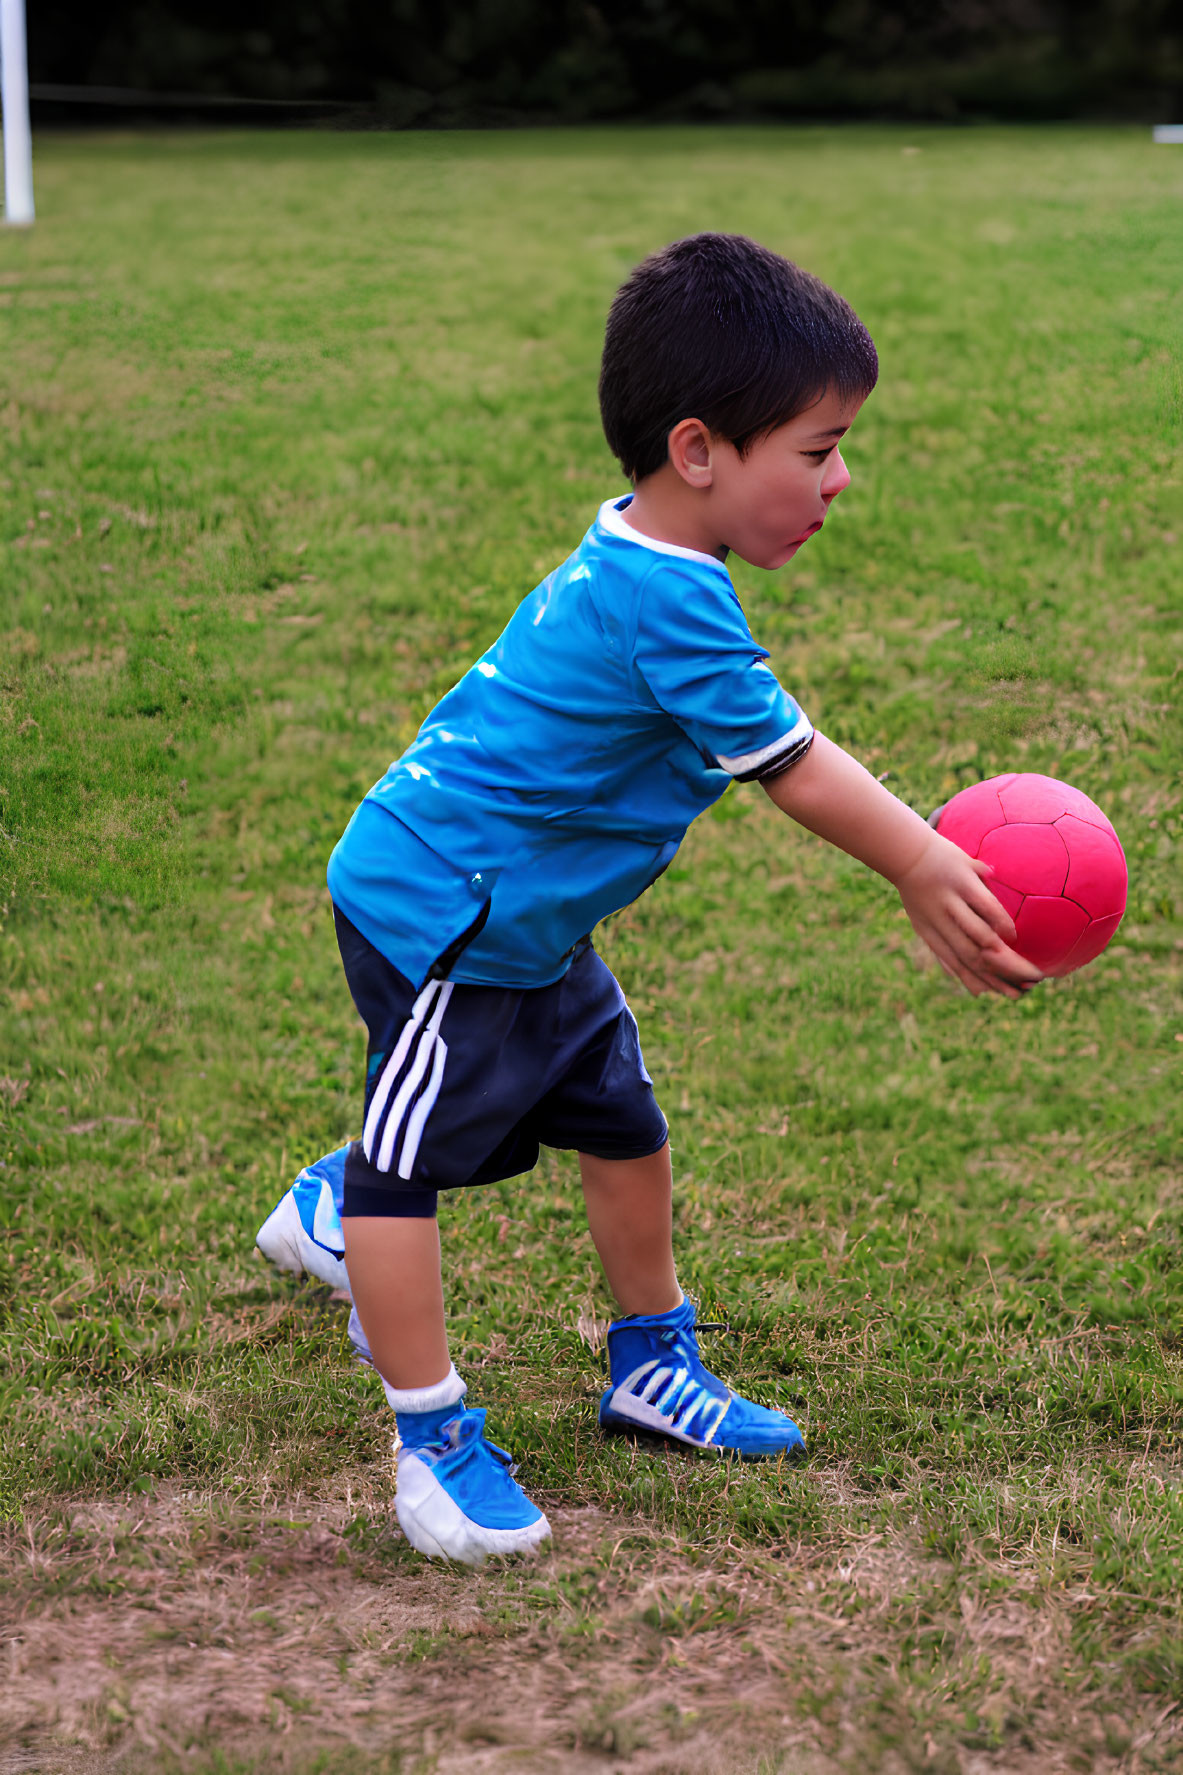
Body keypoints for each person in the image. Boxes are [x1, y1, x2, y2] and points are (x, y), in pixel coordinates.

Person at [256, 233, 1040, 1566]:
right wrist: (921, 860)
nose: (840, 478)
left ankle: (648, 1364)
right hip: (443, 915)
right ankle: (428, 1432)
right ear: (698, 453)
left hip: (529, 919)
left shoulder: (658, 559)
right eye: (817, 448)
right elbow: (791, 765)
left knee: (622, 1120)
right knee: (410, 1175)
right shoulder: (664, 598)